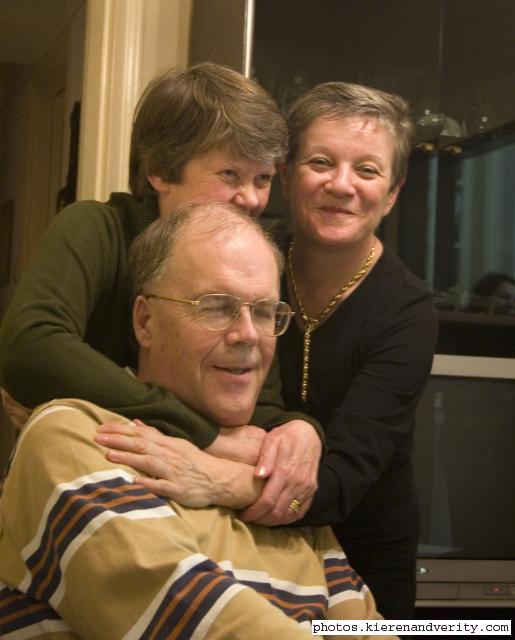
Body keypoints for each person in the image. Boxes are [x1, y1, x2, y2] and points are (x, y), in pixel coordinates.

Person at [0, 203, 395, 640]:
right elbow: (201, 626)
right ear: (145, 321)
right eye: (217, 307)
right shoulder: (75, 438)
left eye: (264, 311)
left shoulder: (281, 471)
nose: (247, 334)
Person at [0, 62, 322, 519]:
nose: (251, 199)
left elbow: (257, 422)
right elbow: (31, 348)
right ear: (159, 172)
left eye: (263, 179)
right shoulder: (97, 229)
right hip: (77, 493)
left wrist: (302, 433)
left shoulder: (245, 260)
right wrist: (205, 434)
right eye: (230, 175)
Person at [241, 82, 437, 619]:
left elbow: (344, 477)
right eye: (321, 162)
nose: (341, 185)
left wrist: (207, 474)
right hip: (244, 539)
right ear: (285, 175)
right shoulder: (244, 262)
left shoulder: (408, 310)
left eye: (368, 170)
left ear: (393, 193)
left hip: (366, 558)